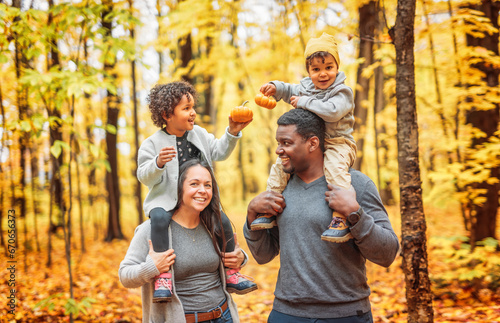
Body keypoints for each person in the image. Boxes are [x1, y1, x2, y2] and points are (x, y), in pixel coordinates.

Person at [244, 109, 400, 322]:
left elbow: (388, 253)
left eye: (287, 143)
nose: (279, 150)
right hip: (287, 313)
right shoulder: (280, 188)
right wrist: (251, 214)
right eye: (278, 143)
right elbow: (264, 255)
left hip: (345, 314)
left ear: (313, 143)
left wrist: (355, 214)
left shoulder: (356, 185)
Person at [137, 81, 256, 302]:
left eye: (193, 107)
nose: (193, 113)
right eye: (186, 108)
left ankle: (232, 272)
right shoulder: (152, 143)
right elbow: (144, 176)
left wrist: (232, 132)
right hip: (166, 200)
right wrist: (158, 163)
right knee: (159, 220)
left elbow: (219, 152)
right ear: (166, 114)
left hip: (199, 198)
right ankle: (163, 276)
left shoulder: (199, 134)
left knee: (223, 222)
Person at [251, 32, 357, 243]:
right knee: (281, 165)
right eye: (316, 69)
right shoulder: (307, 87)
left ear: (337, 67)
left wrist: (303, 102)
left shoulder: (342, 92)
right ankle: (270, 206)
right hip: (313, 144)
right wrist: (276, 87)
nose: (323, 74)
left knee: (335, 170)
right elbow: (291, 89)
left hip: (338, 142)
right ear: (309, 71)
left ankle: (341, 216)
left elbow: (332, 112)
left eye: (328, 67)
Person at [120, 159, 246, 322]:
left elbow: (230, 261)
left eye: (208, 185)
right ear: (178, 188)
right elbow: (125, 275)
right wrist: (152, 267)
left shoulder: (213, 225)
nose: (203, 190)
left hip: (223, 316)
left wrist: (241, 258)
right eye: (194, 184)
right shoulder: (152, 229)